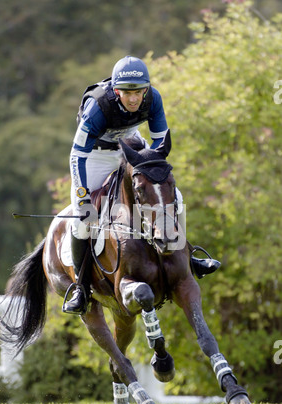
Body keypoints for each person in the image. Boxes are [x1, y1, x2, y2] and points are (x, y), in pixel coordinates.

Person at [63, 56, 220, 314]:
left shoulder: (153, 98)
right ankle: (81, 288)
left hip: (132, 148)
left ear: (146, 89)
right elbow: (76, 154)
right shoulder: (98, 106)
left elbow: (159, 147)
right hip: (94, 156)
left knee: (174, 196)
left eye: (138, 92)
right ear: (116, 91)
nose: (134, 99)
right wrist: (82, 196)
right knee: (83, 219)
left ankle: (190, 257)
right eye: (127, 93)